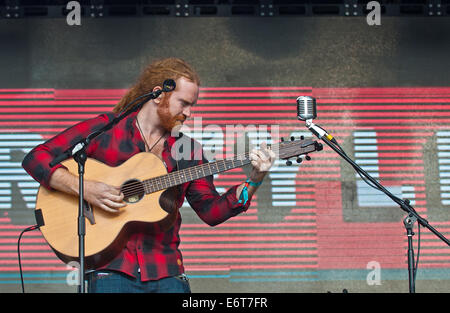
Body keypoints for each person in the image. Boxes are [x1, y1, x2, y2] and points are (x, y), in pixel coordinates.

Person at [22, 57, 276, 293]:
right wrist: (84, 188)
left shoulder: (187, 151)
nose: (188, 113)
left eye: (192, 105)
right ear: (158, 94)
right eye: (183, 103)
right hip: (111, 271)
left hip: (167, 272)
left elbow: (211, 212)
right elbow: (36, 159)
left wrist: (254, 178)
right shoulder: (106, 129)